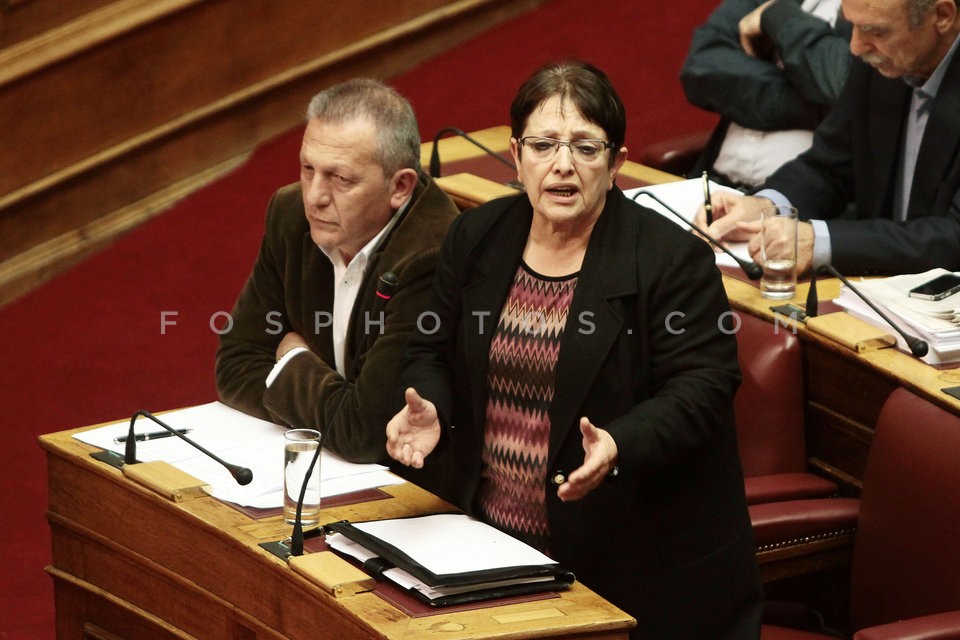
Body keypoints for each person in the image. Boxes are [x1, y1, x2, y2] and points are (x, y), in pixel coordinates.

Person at [385, 61, 763, 639]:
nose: (562, 164)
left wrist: (618, 443)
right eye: (543, 146)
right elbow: (430, 349)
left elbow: (703, 388)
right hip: (488, 551)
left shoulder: (669, 260)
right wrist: (430, 404)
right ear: (516, 156)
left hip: (629, 570)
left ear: (615, 163)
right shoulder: (477, 236)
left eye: (585, 148)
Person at [216, 79, 459, 463]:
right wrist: (333, 404)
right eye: (308, 169)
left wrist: (293, 358)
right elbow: (234, 366)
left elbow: (363, 433)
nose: (315, 196)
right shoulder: (290, 214)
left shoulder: (430, 255)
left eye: (341, 179)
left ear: (400, 186)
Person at [697, 0, 960, 276]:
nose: (855, 47)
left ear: (942, 15)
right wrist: (767, 206)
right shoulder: (885, 61)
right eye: (852, 26)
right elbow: (828, 168)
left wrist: (818, 242)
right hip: (874, 287)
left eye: (876, 31)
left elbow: (954, 235)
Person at [681, 0, 852, 189]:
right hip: (713, 184)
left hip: (801, 200)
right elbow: (701, 65)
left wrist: (778, 15)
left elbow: (846, 86)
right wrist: (814, 106)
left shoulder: (872, 10)